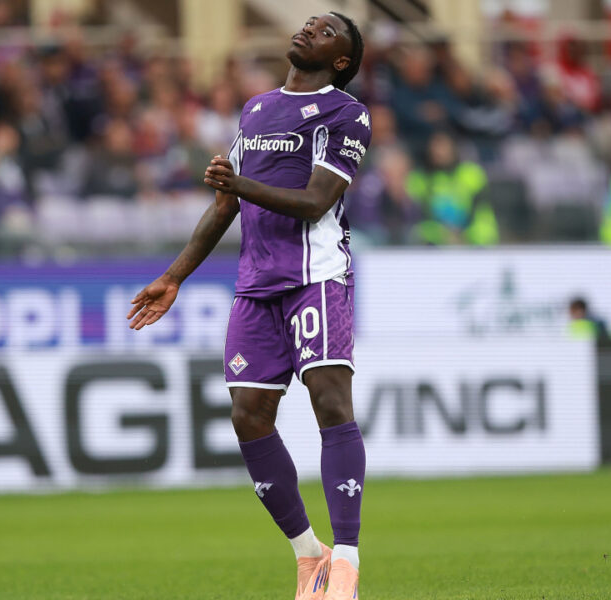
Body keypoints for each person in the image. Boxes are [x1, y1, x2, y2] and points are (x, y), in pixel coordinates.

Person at [127, 13, 368, 600]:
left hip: (316, 277)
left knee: (330, 402)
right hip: (256, 285)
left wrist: (239, 186)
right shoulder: (257, 109)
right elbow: (224, 206)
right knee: (247, 417)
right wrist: (173, 276)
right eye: (312, 21)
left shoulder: (345, 112)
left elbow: (314, 202)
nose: (312, 26)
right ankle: (307, 556)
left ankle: (346, 565)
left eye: (328, 29)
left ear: (341, 60)